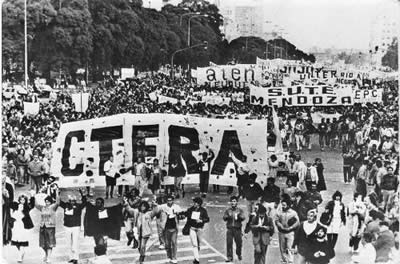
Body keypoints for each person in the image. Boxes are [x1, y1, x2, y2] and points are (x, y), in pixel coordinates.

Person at [59, 189, 87, 264]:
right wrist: (57, 193)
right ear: (69, 201)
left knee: (75, 243)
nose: (72, 202)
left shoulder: (79, 206)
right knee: (68, 243)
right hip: (67, 226)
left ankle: (75, 258)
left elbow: (85, 202)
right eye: (71, 200)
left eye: (74, 200)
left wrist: (83, 194)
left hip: (75, 227)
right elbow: (58, 202)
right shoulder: (65, 205)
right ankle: (71, 257)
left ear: (76, 201)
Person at [35, 191, 60, 263]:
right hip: (42, 226)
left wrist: (57, 193)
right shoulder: (43, 208)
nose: (47, 203)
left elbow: (58, 202)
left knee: (50, 243)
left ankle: (49, 257)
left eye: (48, 202)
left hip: (50, 227)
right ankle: (46, 254)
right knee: (43, 243)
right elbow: (36, 205)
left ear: (51, 202)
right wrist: (34, 196)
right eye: (46, 202)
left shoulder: (53, 207)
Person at [184, 197, 210, 264]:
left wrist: (201, 220)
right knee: (194, 244)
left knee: (198, 244)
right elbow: (185, 214)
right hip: (192, 228)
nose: (194, 204)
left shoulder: (203, 210)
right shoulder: (190, 209)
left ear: (198, 204)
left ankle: (196, 256)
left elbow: (207, 219)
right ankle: (197, 259)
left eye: (195, 202)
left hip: (199, 229)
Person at [10, 193, 35, 263]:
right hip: (16, 225)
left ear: (25, 201)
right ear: (19, 200)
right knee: (16, 241)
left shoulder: (27, 207)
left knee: (22, 240)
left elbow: (32, 205)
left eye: (24, 200)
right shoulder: (16, 205)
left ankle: (20, 256)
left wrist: (32, 196)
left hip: (24, 226)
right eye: (21, 200)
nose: (22, 201)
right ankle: (21, 252)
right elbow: (9, 203)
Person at [160, 195, 184, 264]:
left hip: (174, 228)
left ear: (173, 201)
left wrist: (178, 214)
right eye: (168, 200)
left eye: (170, 200)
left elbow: (182, 216)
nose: (169, 202)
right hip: (166, 227)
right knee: (167, 244)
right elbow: (156, 211)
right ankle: (169, 257)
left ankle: (174, 257)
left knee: (174, 243)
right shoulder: (163, 207)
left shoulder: (177, 207)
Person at [275, 198, 299, 264]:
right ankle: (284, 261)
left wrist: (291, 227)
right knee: (282, 248)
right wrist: (280, 226)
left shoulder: (293, 213)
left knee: (290, 247)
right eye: (282, 205)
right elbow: (276, 220)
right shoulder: (279, 212)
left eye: (284, 205)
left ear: (288, 205)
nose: (282, 206)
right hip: (281, 233)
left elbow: (297, 222)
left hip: (290, 233)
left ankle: (290, 261)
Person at [223, 196, 245, 262]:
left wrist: (239, 216)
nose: (233, 203)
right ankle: (229, 257)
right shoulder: (228, 210)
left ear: (237, 202)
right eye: (232, 201)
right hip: (230, 229)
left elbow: (243, 217)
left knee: (239, 243)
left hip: (237, 229)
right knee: (229, 243)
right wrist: (227, 216)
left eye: (234, 201)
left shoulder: (240, 210)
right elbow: (224, 218)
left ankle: (239, 253)